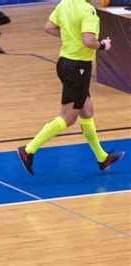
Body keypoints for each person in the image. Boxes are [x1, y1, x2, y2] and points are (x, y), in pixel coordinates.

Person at [16, 0, 124, 175]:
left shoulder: (64, 4)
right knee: (68, 118)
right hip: (78, 67)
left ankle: (102, 158)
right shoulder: (88, 11)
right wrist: (103, 45)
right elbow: (89, 41)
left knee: (87, 111)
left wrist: (69, 36)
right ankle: (28, 150)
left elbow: (49, 27)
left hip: (65, 63)